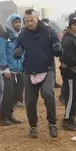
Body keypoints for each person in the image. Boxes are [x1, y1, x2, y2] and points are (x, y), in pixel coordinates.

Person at [14, 9, 63, 139]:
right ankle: (33, 126)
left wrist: (58, 48)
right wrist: (17, 52)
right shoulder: (23, 35)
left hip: (47, 69)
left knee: (47, 94)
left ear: (37, 18)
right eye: (27, 21)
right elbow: (17, 49)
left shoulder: (49, 32)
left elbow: (57, 50)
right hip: (29, 70)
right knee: (30, 100)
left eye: (32, 20)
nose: (29, 23)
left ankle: (52, 123)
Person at [0, 14, 25, 126]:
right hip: (8, 70)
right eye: (15, 22)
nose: (18, 24)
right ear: (10, 23)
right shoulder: (4, 37)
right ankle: (3, 117)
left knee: (16, 94)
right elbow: (1, 53)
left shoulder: (21, 36)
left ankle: (10, 114)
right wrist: (5, 68)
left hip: (19, 70)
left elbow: (23, 52)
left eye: (19, 22)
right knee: (8, 93)